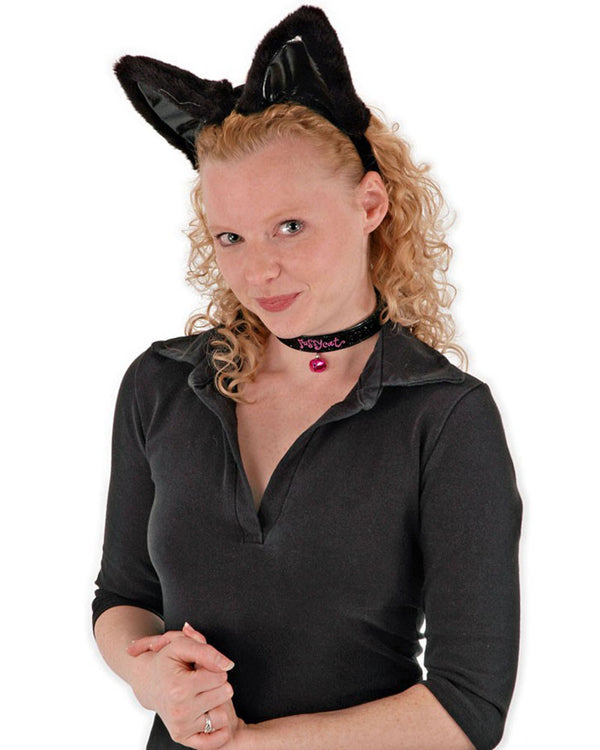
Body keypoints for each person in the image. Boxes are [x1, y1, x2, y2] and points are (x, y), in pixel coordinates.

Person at [92, 6, 522, 750]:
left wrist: (249, 746)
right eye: (231, 236)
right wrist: (150, 677)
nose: (259, 270)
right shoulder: (161, 385)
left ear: (370, 204)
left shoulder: (444, 417)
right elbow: (123, 597)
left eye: (290, 227)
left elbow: (468, 706)